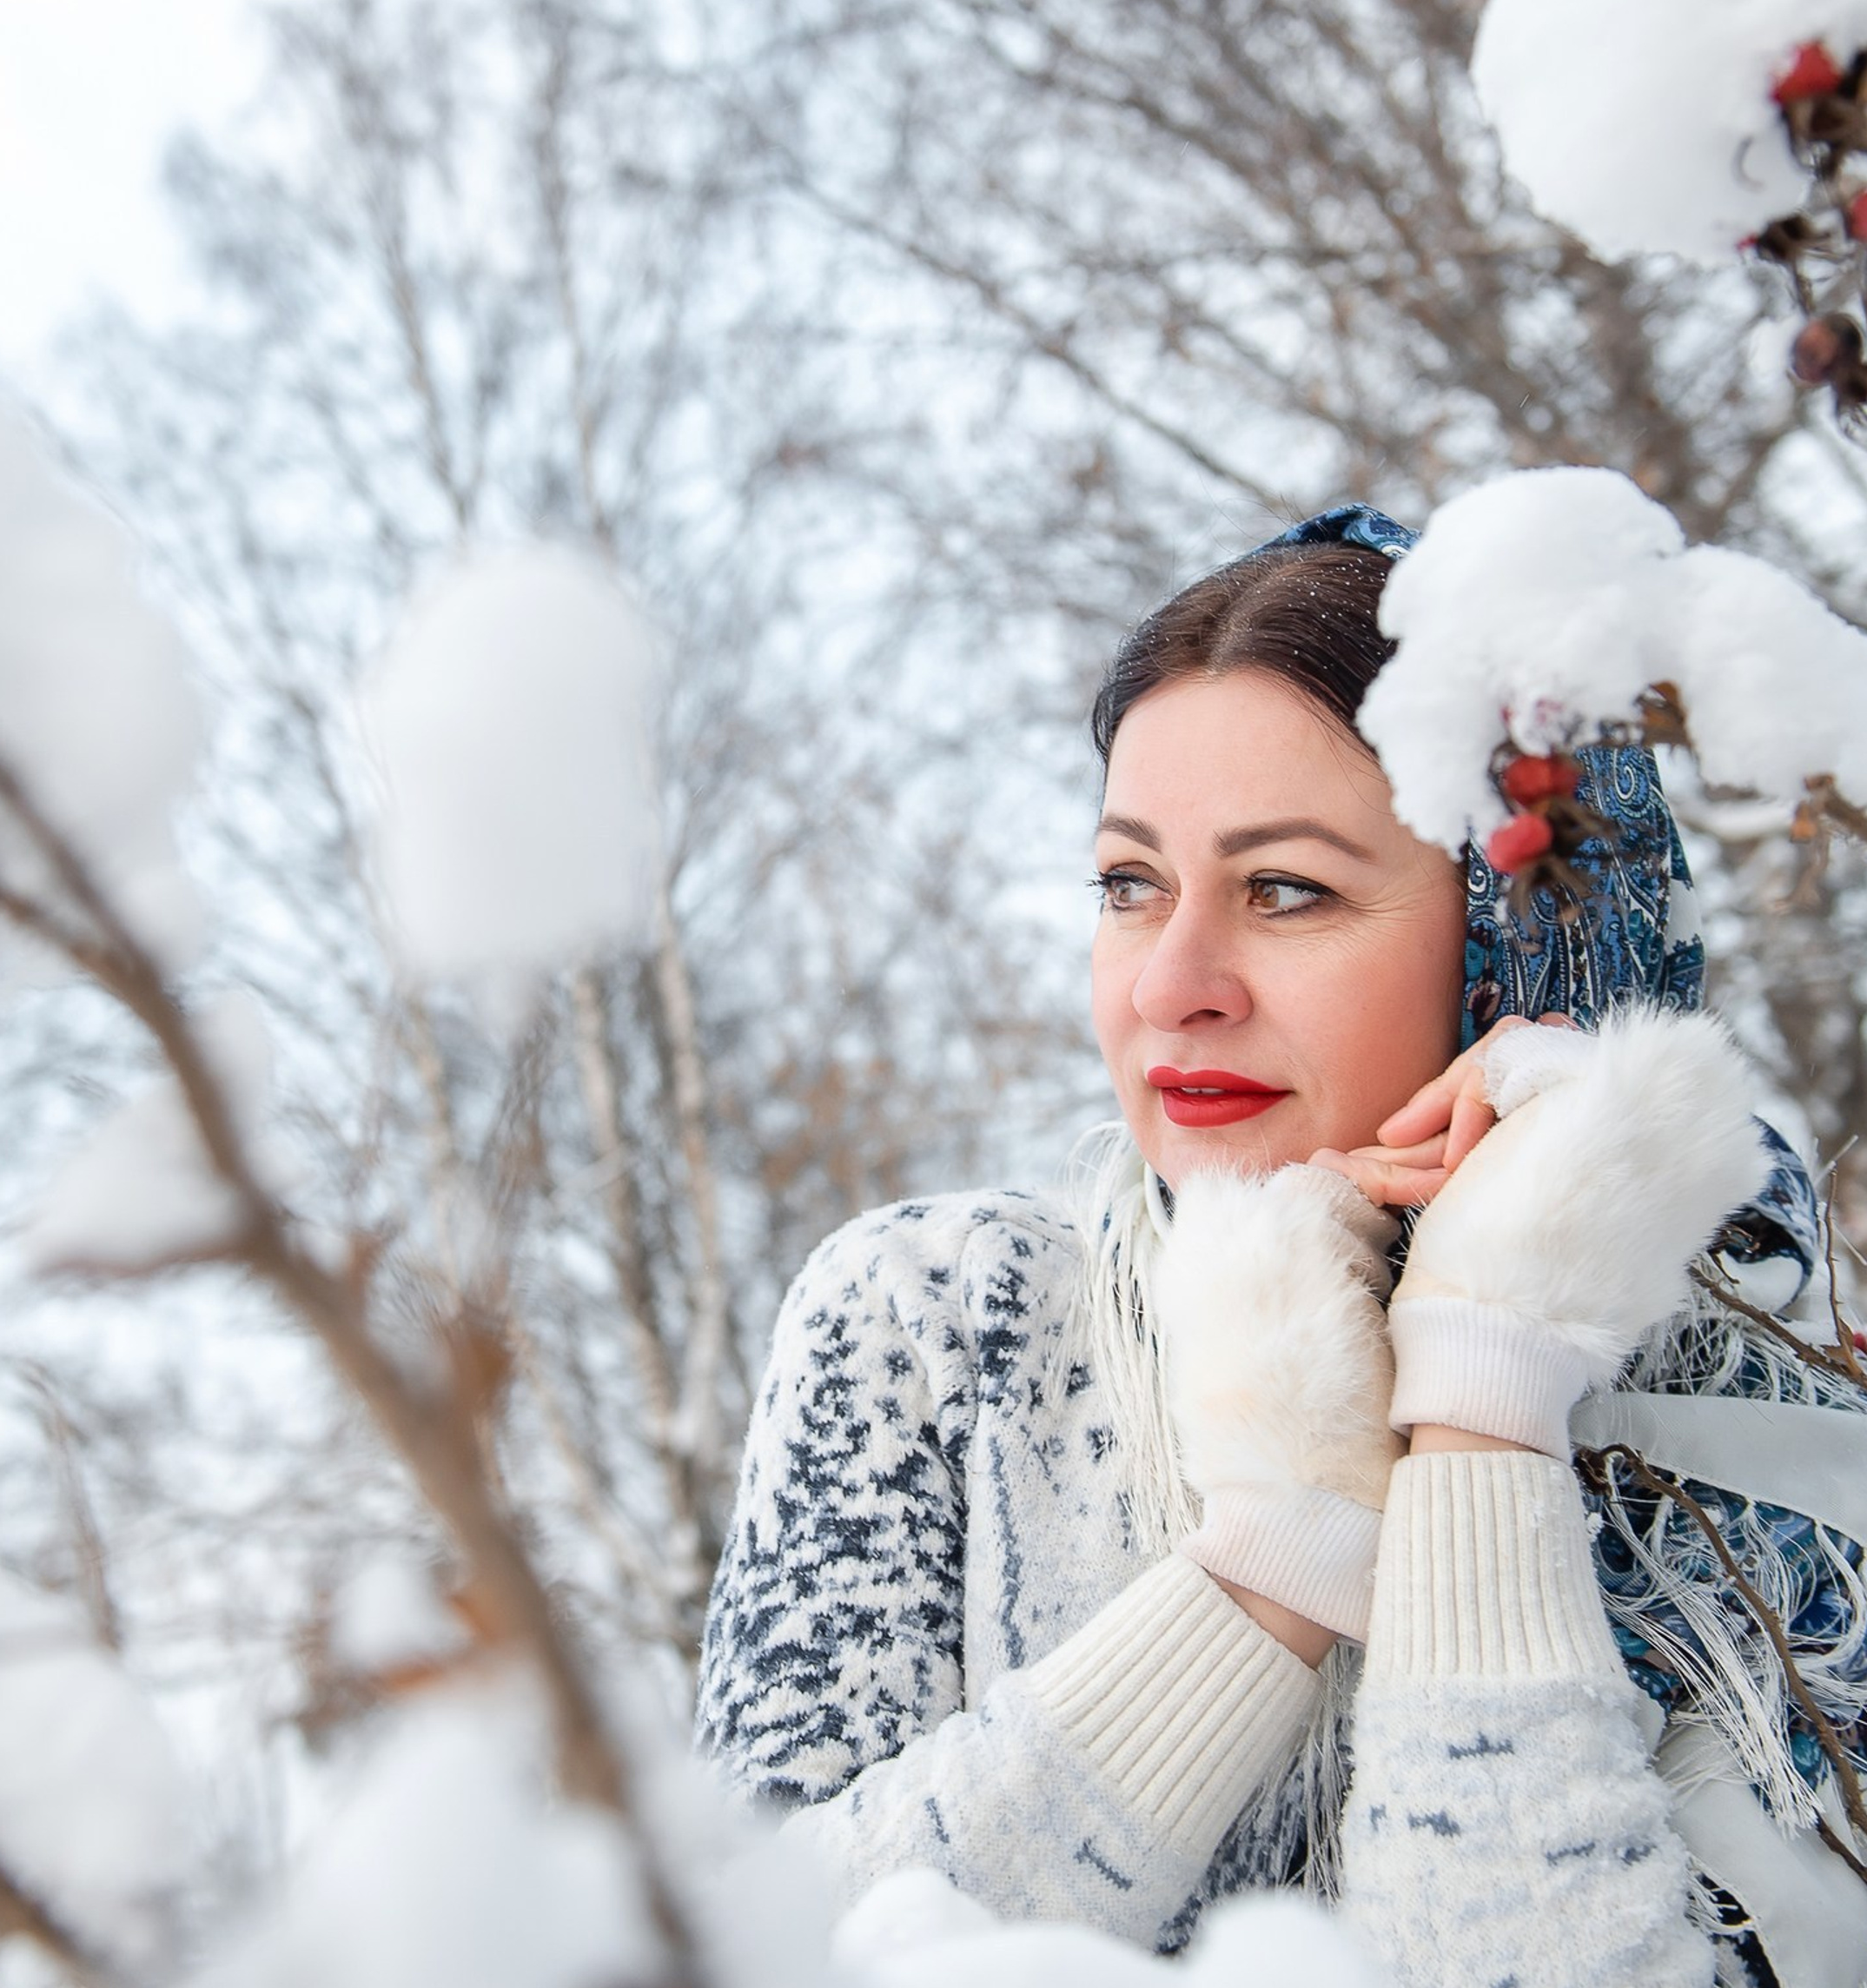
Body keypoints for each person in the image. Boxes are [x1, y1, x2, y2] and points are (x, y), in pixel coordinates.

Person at [695, 507, 1867, 1988]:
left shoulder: (1756, 1428)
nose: (1172, 985)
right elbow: (755, 1950)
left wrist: (1489, 1382)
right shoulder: (941, 1322)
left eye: (1287, 890)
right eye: (1130, 885)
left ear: (1526, 945)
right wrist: (1271, 1564)